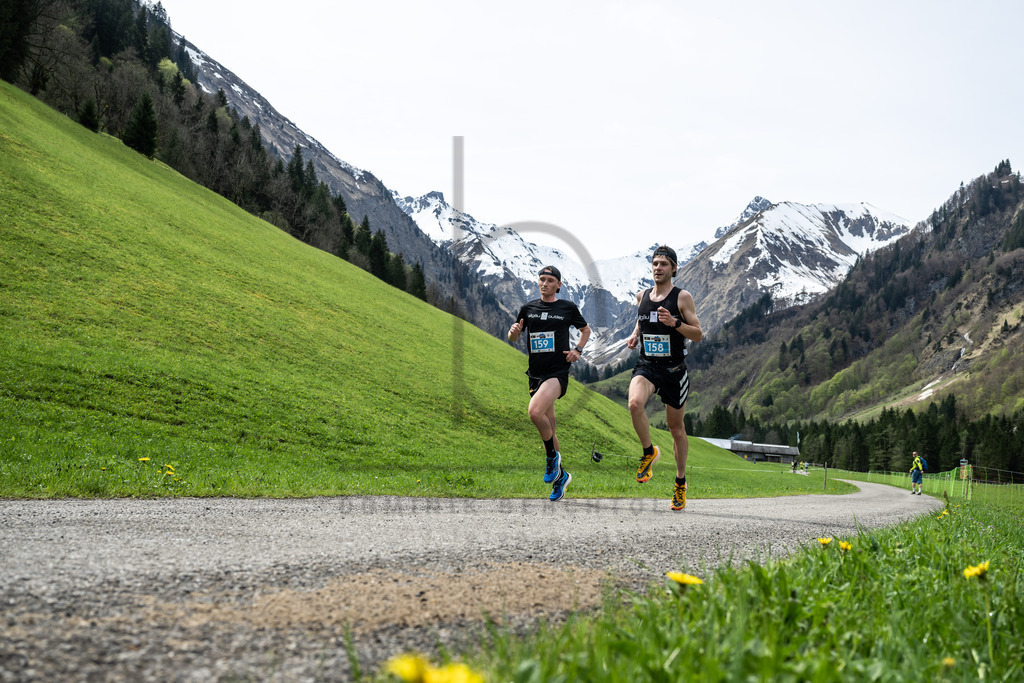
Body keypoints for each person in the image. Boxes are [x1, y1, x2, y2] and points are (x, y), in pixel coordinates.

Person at [626, 245, 702, 511]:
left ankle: (680, 483)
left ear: (674, 269)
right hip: (647, 365)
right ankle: (649, 452)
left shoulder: (682, 298)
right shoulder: (642, 296)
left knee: (676, 428)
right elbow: (641, 318)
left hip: (673, 371)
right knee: (635, 404)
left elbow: (698, 334)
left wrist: (675, 324)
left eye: (664, 264)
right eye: (655, 264)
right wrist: (636, 334)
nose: (658, 268)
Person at [508, 265, 590, 501]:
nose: (544, 283)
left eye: (549, 280)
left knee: (534, 412)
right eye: (541, 279)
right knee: (550, 428)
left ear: (558, 285)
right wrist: (513, 332)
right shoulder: (528, 308)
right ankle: (561, 478)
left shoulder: (567, 308)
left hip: (557, 372)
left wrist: (578, 350)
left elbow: (586, 330)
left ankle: (552, 458)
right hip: (535, 374)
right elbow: (514, 336)